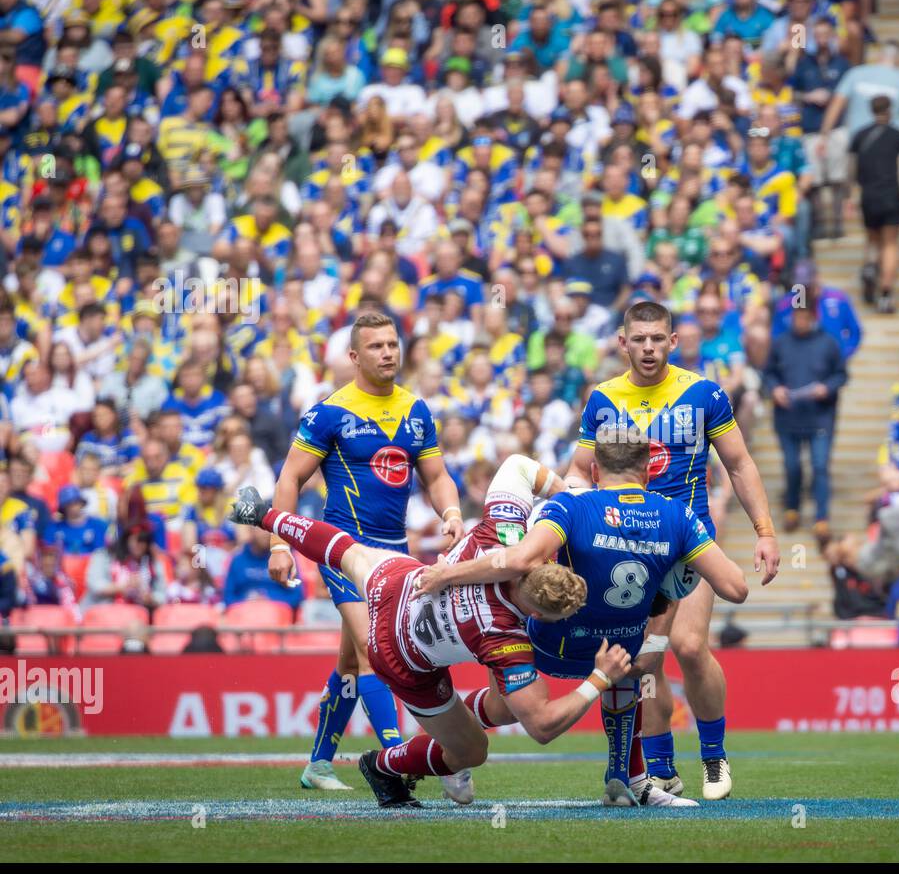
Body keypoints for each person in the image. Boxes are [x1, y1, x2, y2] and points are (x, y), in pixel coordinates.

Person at [228, 470, 629, 810]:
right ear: (539, 615)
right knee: (472, 751)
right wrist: (599, 679)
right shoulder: (506, 638)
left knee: (346, 553)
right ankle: (383, 764)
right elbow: (542, 727)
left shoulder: (503, 534)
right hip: (400, 656)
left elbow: (520, 466)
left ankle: (261, 513)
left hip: (401, 582)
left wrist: (572, 498)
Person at [420, 428, 748, 806]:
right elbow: (736, 588)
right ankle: (624, 779)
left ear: (594, 470)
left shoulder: (572, 507)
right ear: (647, 471)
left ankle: (450, 741)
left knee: (499, 707)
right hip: (613, 656)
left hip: (545, 643)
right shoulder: (677, 514)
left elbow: (520, 560)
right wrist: (672, 582)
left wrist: (447, 573)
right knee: (627, 661)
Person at [565, 301, 780, 800]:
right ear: (622, 343)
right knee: (645, 660)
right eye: (638, 339)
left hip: (690, 540)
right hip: (628, 546)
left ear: (673, 341)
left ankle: (713, 757)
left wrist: (765, 531)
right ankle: (662, 770)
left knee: (686, 645)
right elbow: (578, 469)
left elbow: (741, 465)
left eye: (657, 339)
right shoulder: (603, 400)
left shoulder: (703, 394)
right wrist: (578, 498)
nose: (647, 348)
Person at [271, 309, 465, 793]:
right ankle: (403, 760)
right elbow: (290, 478)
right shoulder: (329, 412)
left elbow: (437, 476)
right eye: (376, 347)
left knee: (351, 662)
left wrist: (452, 513)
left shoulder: (416, 411)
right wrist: (280, 543)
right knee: (375, 652)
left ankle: (318, 764)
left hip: (395, 552)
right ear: (354, 356)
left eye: (393, 344)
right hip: (343, 550)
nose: (388, 353)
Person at [764, 287, 847, 540]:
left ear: (813, 317)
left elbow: (841, 375)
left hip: (819, 417)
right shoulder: (780, 343)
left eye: (805, 316)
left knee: (820, 466)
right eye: (796, 316)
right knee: (791, 466)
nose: (800, 321)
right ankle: (792, 508)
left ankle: (821, 517)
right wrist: (774, 389)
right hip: (788, 417)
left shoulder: (828, 343)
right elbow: (767, 374)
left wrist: (827, 388)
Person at [849, 96, 899, 313]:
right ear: (890, 110)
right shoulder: (898, 136)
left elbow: (851, 169)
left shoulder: (859, 136)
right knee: (890, 243)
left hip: (867, 195)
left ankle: (870, 266)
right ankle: (886, 295)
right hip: (891, 194)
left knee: (872, 239)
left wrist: (851, 196)